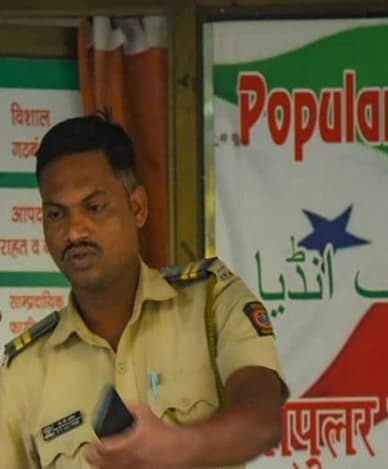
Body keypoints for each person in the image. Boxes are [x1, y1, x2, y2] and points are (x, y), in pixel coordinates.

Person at [0, 112, 287, 468]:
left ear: (137, 207)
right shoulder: (23, 372)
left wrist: (177, 446)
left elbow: (263, 420)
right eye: (56, 215)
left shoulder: (210, 303)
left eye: (94, 207)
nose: (74, 232)